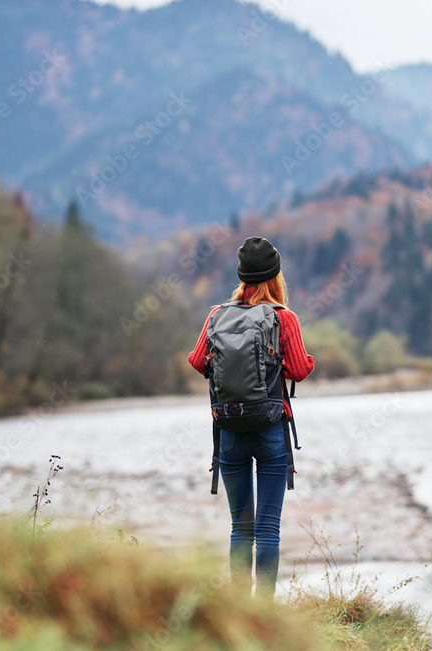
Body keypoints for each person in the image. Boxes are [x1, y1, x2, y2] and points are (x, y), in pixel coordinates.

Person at [187, 236, 314, 597]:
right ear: (276, 277)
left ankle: (239, 612)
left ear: (242, 277)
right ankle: (263, 613)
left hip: (229, 433)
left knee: (239, 529)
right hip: (271, 430)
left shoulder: (217, 315)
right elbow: (300, 370)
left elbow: (198, 361)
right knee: (267, 529)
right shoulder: (283, 318)